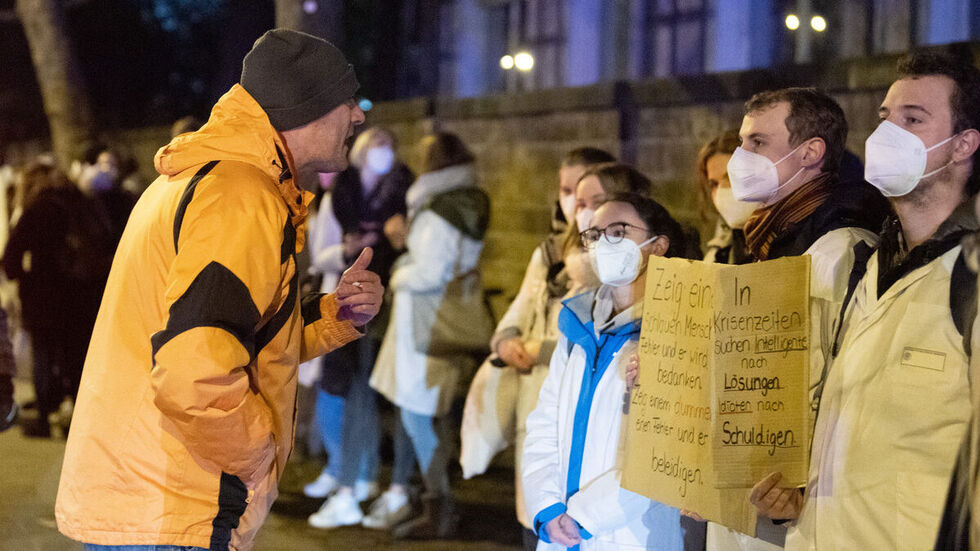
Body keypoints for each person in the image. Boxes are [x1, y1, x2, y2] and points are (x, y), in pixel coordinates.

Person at [55, 29, 384, 551]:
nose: (358, 116)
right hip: (176, 504)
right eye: (347, 98)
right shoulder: (239, 196)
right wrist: (257, 456)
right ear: (307, 106)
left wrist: (335, 315)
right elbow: (196, 373)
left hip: (146, 495)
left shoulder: (204, 178)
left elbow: (237, 341)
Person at [749, 52, 980, 550]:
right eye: (885, 117)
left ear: (963, 145)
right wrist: (801, 493)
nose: (887, 134)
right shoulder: (865, 264)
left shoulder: (971, 278)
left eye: (912, 120)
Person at [523, 192, 688, 550]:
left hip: (629, 534)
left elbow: (664, 453)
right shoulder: (578, 323)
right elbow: (544, 422)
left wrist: (586, 518)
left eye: (618, 232)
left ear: (658, 246)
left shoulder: (679, 332)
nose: (602, 244)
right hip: (560, 530)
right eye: (595, 235)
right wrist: (547, 507)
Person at [484, 146, 615, 551]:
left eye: (591, 198)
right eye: (568, 192)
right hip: (537, 393)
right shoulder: (549, 253)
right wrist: (506, 339)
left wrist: (538, 348)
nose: (577, 206)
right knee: (537, 511)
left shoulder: (617, 262)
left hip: (575, 396)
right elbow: (521, 307)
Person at [370, 131, 491, 539]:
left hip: (426, 324)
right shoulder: (460, 202)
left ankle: (438, 504)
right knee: (426, 413)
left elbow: (430, 272)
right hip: (432, 320)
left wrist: (396, 273)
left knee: (418, 414)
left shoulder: (440, 210)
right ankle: (435, 500)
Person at [306, 126, 414, 529]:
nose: (384, 154)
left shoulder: (403, 192)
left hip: (384, 303)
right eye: (377, 147)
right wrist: (347, 251)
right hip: (343, 300)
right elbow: (319, 255)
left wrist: (397, 240)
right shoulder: (342, 195)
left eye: (389, 147)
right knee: (342, 388)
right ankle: (344, 473)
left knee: (366, 391)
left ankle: (359, 479)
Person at [2, 161, 112, 438]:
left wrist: (24, 276)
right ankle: (80, 414)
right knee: (76, 356)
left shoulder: (36, 210)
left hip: (42, 297)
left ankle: (44, 416)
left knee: (43, 354)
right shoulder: (83, 205)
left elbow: (11, 257)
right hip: (81, 295)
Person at [698, 129, 757, 265]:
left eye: (732, 177)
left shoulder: (795, 243)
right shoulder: (719, 253)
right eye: (714, 184)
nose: (722, 190)